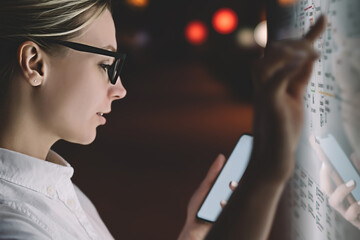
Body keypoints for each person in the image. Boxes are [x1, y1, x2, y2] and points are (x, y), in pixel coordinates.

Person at [0, 0, 326, 239]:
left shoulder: (59, 187)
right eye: (107, 65)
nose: (120, 89)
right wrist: (268, 170)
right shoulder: (16, 226)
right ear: (35, 63)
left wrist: (191, 235)